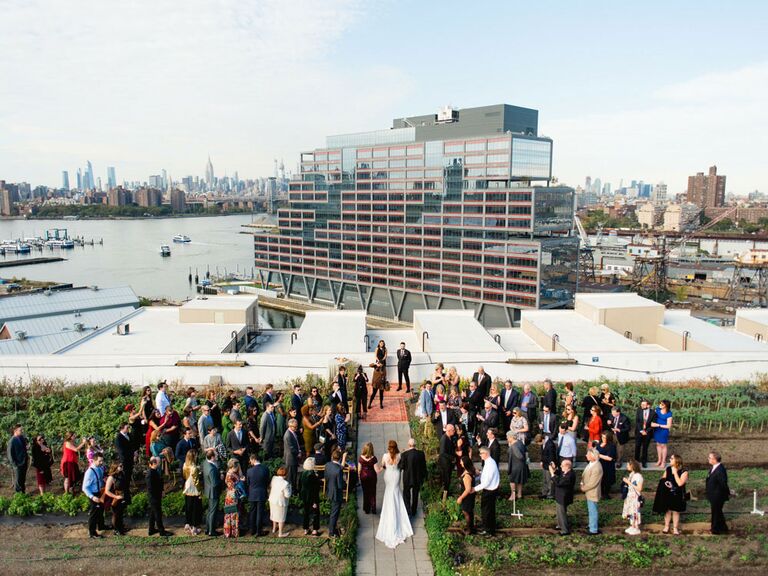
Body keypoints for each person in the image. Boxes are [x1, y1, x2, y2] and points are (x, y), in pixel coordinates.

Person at [375, 440, 414, 548]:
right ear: (396, 447)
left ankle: (389, 514)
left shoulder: (385, 456)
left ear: (388, 447)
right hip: (396, 476)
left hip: (388, 476)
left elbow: (383, 466)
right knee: (396, 494)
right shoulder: (399, 456)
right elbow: (401, 461)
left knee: (389, 493)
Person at [652, 453, 688, 535]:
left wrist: (675, 473)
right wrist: (666, 482)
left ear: (677, 461)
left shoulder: (684, 472)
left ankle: (675, 528)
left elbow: (680, 484)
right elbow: (663, 479)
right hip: (667, 493)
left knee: (676, 511)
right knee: (667, 510)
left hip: (678, 494)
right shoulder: (668, 469)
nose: (670, 460)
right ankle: (666, 526)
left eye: (672, 458)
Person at [471, 445, 500, 536]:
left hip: (489, 491)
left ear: (486, 453)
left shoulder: (490, 464)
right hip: (490, 490)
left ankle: (488, 530)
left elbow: (486, 482)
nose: (480, 455)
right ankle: (489, 527)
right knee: (488, 510)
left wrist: (474, 489)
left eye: (481, 453)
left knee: (487, 511)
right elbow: (487, 476)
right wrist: (481, 473)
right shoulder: (489, 462)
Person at [399, 437, 427, 517]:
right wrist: (424, 476)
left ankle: (408, 510)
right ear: (415, 445)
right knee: (415, 494)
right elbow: (423, 466)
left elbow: (402, 466)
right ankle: (414, 510)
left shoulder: (404, 454)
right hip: (417, 478)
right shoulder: (421, 453)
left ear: (409, 445)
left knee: (406, 493)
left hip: (407, 478)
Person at [706, 451, 730, 535]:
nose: (708, 459)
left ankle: (715, 530)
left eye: (709, 458)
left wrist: (724, 494)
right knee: (718, 512)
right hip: (713, 495)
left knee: (715, 513)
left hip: (718, 496)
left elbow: (723, 484)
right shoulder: (714, 467)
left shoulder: (720, 470)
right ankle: (723, 528)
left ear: (715, 459)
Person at [246, 452, 270, 536]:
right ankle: (258, 531)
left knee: (252, 512)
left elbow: (248, 483)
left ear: (253, 459)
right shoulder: (265, 469)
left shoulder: (249, 471)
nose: (250, 462)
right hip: (262, 492)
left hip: (252, 493)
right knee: (260, 512)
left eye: (250, 460)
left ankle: (252, 530)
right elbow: (267, 481)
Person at [82, 452, 106, 539]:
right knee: (94, 513)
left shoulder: (99, 468)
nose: (101, 463)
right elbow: (85, 487)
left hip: (99, 491)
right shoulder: (89, 472)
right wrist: (92, 497)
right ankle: (92, 532)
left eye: (102, 461)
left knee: (100, 510)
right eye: (100, 461)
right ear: (94, 460)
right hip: (93, 494)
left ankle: (101, 526)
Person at [550, 459, 576, 535]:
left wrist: (552, 474)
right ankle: (559, 525)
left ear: (567, 466)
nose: (560, 466)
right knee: (559, 512)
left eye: (562, 465)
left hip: (563, 497)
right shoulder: (566, 471)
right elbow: (560, 473)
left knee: (562, 513)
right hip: (560, 496)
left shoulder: (570, 476)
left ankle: (565, 530)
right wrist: (554, 469)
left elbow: (558, 483)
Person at [581, 448, 603, 535]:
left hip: (592, 492)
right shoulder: (592, 463)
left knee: (593, 510)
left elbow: (593, 483)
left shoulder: (597, 468)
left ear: (593, 457)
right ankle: (591, 525)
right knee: (591, 510)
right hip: (589, 491)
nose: (586, 455)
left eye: (588, 454)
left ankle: (593, 529)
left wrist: (583, 488)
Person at [325, 449, 346, 538]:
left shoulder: (328, 465)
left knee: (333, 512)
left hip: (330, 490)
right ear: (340, 459)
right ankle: (332, 532)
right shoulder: (338, 470)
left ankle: (333, 528)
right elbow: (340, 485)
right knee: (334, 513)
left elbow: (326, 476)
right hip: (336, 494)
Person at [182, 449, 203, 535]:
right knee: (195, 509)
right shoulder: (194, 468)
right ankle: (194, 528)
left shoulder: (185, 465)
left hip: (187, 488)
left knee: (188, 507)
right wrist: (200, 491)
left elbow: (184, 476)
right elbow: (196, 481)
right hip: (194, 490)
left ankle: (188, 524)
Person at [455, 452, 477, 535]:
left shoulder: (467, 476)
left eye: (461, 461)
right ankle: (471, 527)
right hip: (470, 496)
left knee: (466, 512)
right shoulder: (470, 470)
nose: (460, 462)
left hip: (467, 496)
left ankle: (469, 530)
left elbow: (467, 489)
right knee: (469, 511)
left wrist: (460, 498)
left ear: (465, 463)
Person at [621, 460, 644, 535]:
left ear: (632, 466)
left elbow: (639, 488)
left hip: (635, 497)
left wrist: (629, 482)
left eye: (628, 465)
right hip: (630, 496)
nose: (627, 466)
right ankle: (632, 526)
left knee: (635, 512)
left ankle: (636, 527)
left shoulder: (638, 476)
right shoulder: (632, 474)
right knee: (630, 511)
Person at [300, 457, 321, 536]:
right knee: (315, 513)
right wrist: (315, 501)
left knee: (306, 513)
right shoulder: (313, 476)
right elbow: (315, 489)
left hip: (305, 496)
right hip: (312, 498)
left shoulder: (302, 474)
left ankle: (306, 529)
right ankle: (315, 530)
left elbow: (300, 486)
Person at [104, 462, 126, 536]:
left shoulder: (121, 474)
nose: (122, 467)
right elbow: (107, 491)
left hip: (121, 496)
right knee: (115, 514)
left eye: (122, 466)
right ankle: (116, 529)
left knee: (120, 513)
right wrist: (116, 497)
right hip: (114, 497)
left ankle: (121, 527)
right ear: (115, 467)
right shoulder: (111, 477)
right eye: (120, 466)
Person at [204, 449, 222, 536]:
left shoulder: (205, 463)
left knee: (209, 511)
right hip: (213, 492)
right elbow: (215, 483)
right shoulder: (212, 469)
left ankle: (208, 529)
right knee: (213, 512)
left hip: (208, 490)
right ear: (212, 457)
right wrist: (221, 478)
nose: (217, 456)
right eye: (215, 455)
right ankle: (211, 531)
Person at [114, 423, 135, 501]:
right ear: (122, 428)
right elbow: (121, 452)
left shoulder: (128, 435)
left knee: (129, 476)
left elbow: (132, 444)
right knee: (125, 477)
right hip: (125, 461)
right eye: (126, 428)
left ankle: (128, 492)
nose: (128, 429)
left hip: (130, 459)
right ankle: (125, 495)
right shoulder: (118, 438)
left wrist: (134, 453)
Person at [7, 424, 29, 494]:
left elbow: (23, 448)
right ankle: (18, 496)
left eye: (22, 430)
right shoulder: (12, 441)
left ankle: (23, 493)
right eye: (20, 430)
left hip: (24, 462)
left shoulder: (21, 438)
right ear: (15, 431)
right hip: (18, 464)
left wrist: (26, 448)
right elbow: (10, 454)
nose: (22, 431)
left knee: (22, 480)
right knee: (18, 481)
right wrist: (15, 465)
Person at [507, 434, 529, 501]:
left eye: (507, 437)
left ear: (511, 437)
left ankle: (513, 495)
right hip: (522, 465)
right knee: (520, 481)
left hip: (515, 466)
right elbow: (526, 451)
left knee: (512, 481)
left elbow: (520, 456)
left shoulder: (513, 446)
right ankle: (519, 494)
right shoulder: (520, 442)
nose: (507, 438)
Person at [634, 399, 656, 468]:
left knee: (645, 447)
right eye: (641, 404)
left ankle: (644, 461)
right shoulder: (639, 410)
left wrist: (646, 431)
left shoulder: (653, 413)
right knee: (637, 447)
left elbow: (653, 424)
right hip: (639, 432)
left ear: (648, 405)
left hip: (647, 433)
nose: (642, 406)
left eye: (644, 404)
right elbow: (637, 422)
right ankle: (636, 461)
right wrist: (641, 430)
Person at [651, 400, 673, 468]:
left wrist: (658, 425)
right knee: (658, 444)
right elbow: (652, 416)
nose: (660, 405)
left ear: (666, 406)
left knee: (663, 445)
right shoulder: (657, 409)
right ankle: (659, 460)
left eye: (662, 404)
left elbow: (669, 426)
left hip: (663, 430)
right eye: (660, 403)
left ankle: (663, 461)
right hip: (657, 430)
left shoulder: (669, 413)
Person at [597, 430, 618, 497]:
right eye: (602, 437)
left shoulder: (611, 446)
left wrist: (598, 455)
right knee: (601, 480)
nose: (603, 439)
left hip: (608, 466)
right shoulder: (599, 443)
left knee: (607, 480)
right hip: (600, 465)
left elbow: (610, 458)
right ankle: (601, 493)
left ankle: (606, 494)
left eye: (605, 438)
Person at [359, 442, 378, 514]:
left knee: (365, 492)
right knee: (372, 492)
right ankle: (373, 508)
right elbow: (377, 470)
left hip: (363, 477)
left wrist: (359, 475)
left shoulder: (361, 458)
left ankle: (366, 509)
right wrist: (383, 467)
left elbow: (359, 469)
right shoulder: (373, 458)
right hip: (372, 477)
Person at [438, 424, 456, 500]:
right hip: (445, 464)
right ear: (448, 431)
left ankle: (447, 492)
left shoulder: (449, 437)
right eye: (453, 430)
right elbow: (442, 452)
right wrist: (452, 458)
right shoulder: (444, 439)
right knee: (446, 480)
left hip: (448, 463)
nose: (454, 431)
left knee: (448, 479)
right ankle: (444, 496)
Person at [283, 418, 302, 490]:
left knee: (294, 475)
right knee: (291, 476)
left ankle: (293, 489)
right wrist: (298, 453)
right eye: (295, 427)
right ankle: (291, 491)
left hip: (293, 458)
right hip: (290, 459)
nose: (296, 428)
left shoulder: (292, 432)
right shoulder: (288, 435)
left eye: (297, 426)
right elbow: (291, 448)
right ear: (290, 426)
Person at [223, 466, 241, 538]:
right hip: (233, 495)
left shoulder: (228, 474)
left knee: (228, 513)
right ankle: (234, 532)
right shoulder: (232, 475)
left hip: (228, 495)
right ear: (234, 466)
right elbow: (235, 485)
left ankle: (228, 531)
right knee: (234, 512)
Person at [540, 433, 557, 499]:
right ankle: (544, 492)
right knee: (544, 479)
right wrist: (541, 461)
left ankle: (550, 494)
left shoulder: (550, 444)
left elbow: (551, 456)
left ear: (542, 440)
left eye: (539, 443)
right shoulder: (543, 443)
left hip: (549, 465)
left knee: (549, 480)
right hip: (544, 463)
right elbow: (542, 453)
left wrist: (551, 464)